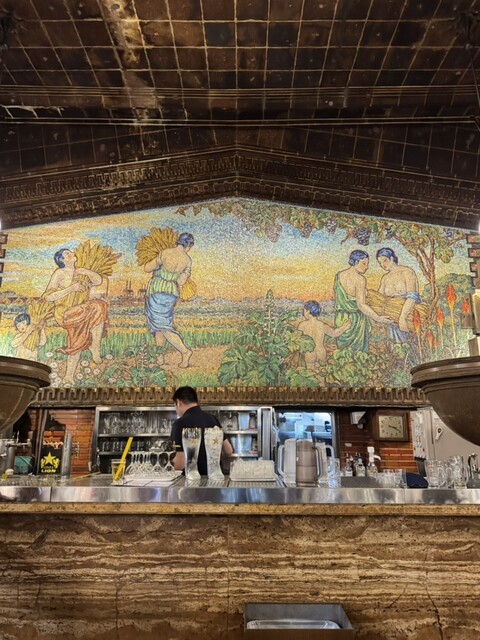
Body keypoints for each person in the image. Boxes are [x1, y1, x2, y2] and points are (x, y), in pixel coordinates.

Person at [43, 248, 107, 385]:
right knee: (79, 329)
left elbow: (98, 281)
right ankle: (69, 375)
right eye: (67, 253)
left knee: (99, 306)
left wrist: (86, 271)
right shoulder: (60, 273)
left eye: (70, 251)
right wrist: (70, 289)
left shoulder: (81, 273)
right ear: (61, 260)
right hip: (65, 312)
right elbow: (48, 296)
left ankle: (94, 347)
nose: (71, 253)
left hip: (81, 310)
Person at [144, 232, 194, 368]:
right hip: (171, 293)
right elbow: (181, 281)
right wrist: (173, 275)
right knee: (159, 326)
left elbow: (147, 268)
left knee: (163, 326)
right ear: (188, 245)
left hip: (157, 291)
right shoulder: (187, 260)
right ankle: (159, 357)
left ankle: (185, 351)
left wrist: (159, 267)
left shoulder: (165, 253)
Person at [334, 249, 392, 351]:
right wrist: (378, 318)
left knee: (344, 353)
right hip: (356, 321)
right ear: (356, 262)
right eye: (364, 263)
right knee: (358, 353)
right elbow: (361, 305)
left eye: (367, 264)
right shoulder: (360, 279)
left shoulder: (338, 275)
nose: (367, 267)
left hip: (341, 318)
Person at [170, 386, 233, 475]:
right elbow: (229, 451)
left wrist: (165, 469)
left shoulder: (179, 424)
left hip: (191, 479)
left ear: (178, 402)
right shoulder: (213, 419)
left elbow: (180, 463)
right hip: (215, 477)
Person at [376, 247, 421, 343]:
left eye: (385, 260)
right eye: (380, 263)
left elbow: (412, 296)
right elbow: (379, 298)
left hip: (408, 314)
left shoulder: (406, 272)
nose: (382, 265)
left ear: (392, 258)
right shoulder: (385, 278)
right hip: (392, 318)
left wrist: (402, 317)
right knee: (395, 346)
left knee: (410, 344)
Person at [298, 300, 351, 369]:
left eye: (304, 311)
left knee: (310, 372)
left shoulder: (302, 325)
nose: (303, 313)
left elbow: (297, 340)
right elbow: (334, 333)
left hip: (309, 353)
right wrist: (345, 327)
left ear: (308, 311)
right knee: (321, 372)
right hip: (321, 352)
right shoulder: (322, 325)